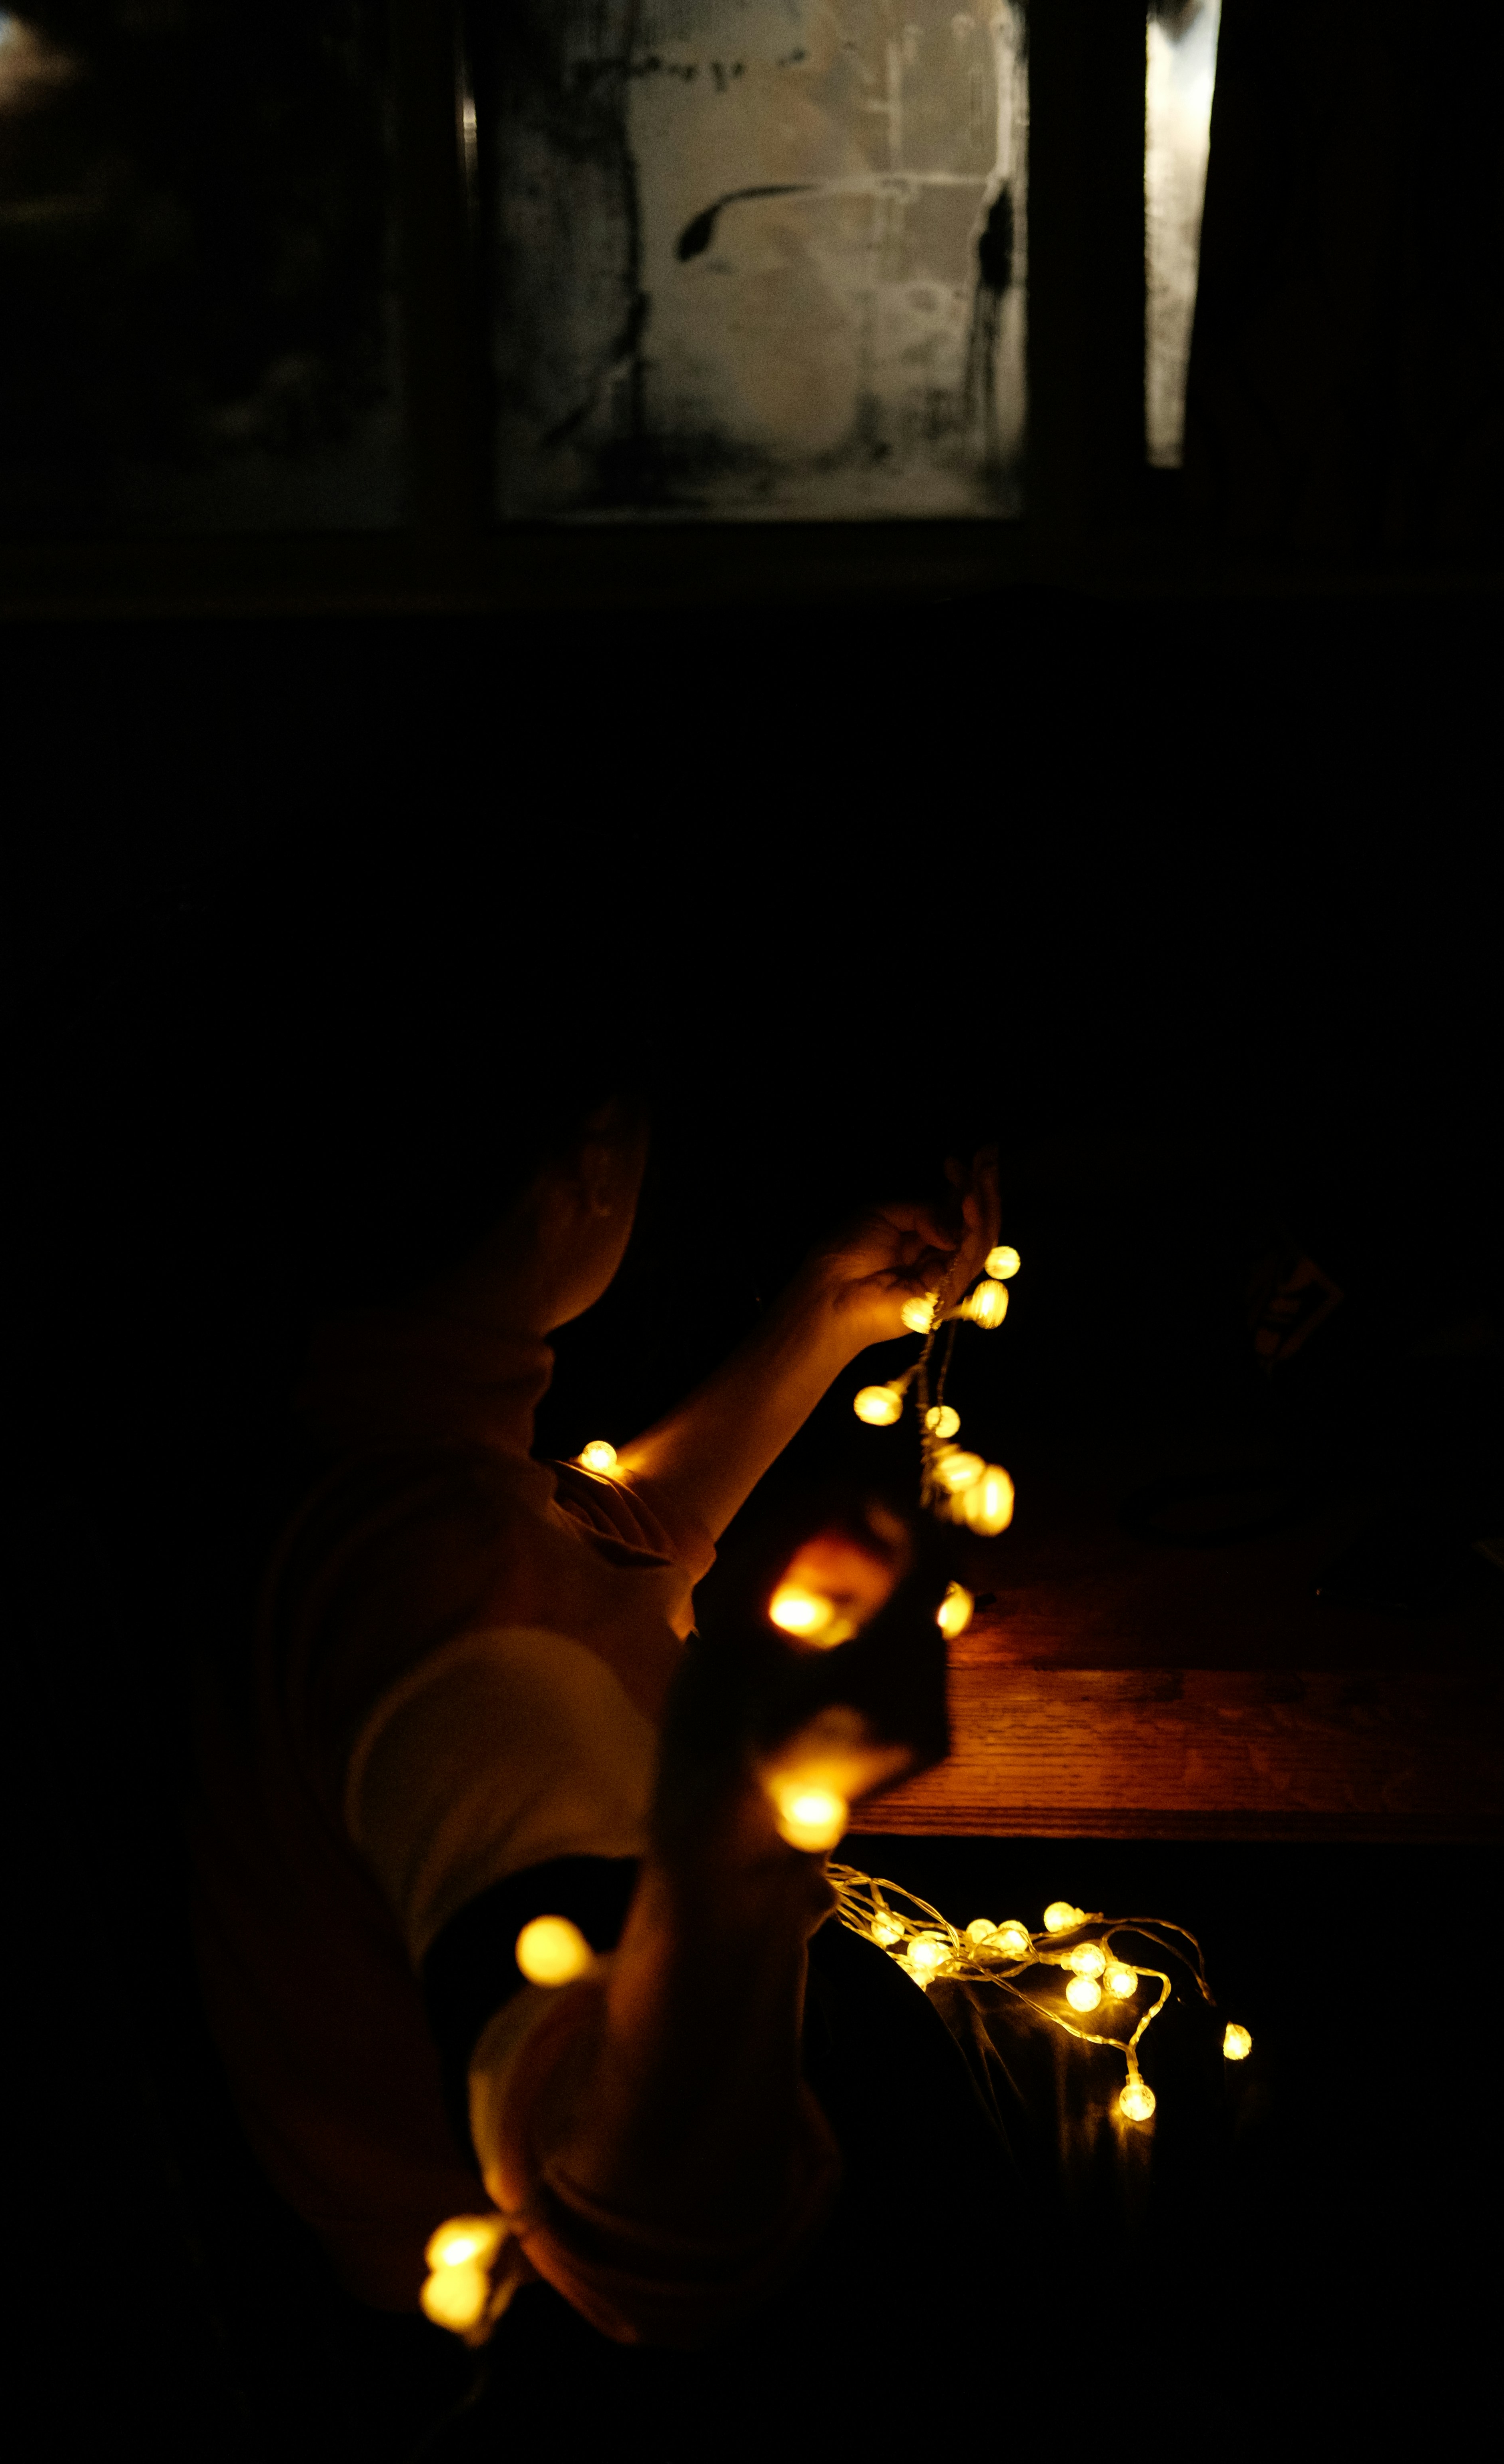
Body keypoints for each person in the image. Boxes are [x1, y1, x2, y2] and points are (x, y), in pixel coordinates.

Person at [177, 885, 1008, 2455]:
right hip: (597, 2395)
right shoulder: (432, 1581)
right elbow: (633, 2235)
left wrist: (829, 1318)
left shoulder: (350, 1472)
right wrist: (734, 1819)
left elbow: (583, 1551)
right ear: (587, 1163)